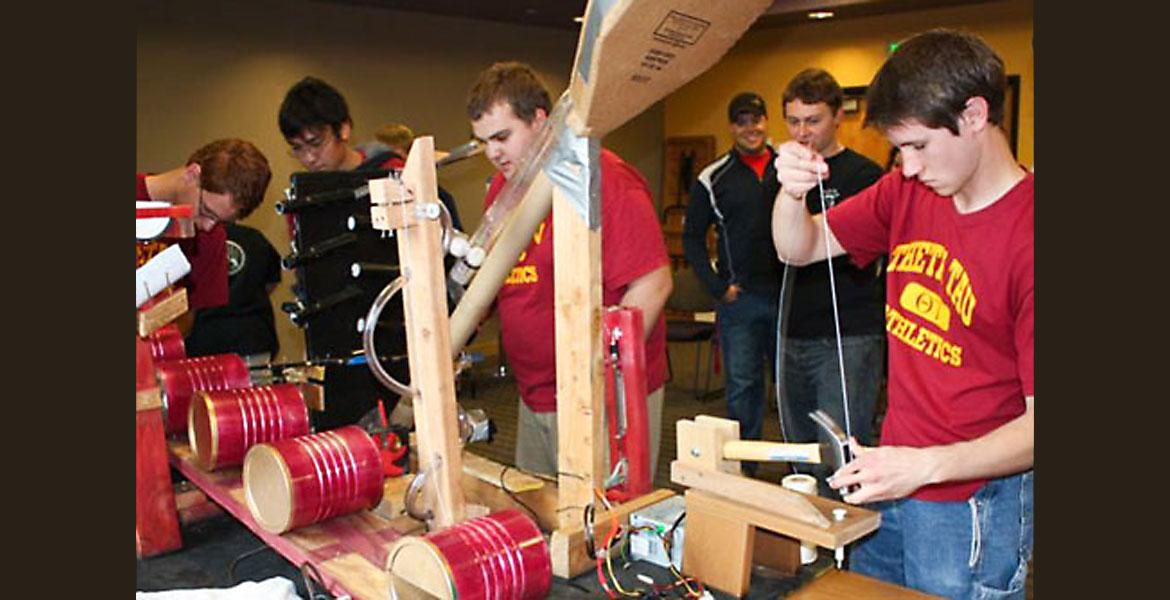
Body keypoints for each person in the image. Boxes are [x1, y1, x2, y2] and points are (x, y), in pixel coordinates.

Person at [771, 30, 1032, 598]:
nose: (907, 168)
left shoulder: (1031, 235)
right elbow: (799, 248)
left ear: (974, 115)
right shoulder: (908, 193)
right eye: (899, 150)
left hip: (971, 505)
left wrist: (926, 467)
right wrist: (790, 193)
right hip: (892, 476)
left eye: (917, 146)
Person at [466, 62, 673, 477]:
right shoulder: (502, 191)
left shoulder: (607, 181)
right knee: (540, 514)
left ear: (541, 121)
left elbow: (652, 285)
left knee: (603, 527)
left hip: (599, 396)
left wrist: (596, 379)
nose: (492, 153)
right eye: (483, 141)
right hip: (535, 394)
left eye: (502, 137)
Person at [774, 69, 886, 496]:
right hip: (792, 330)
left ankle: (847, 547)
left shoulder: (864, 176)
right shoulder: (783, 176)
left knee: (841, 453)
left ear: (839, 116)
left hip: (847, 335)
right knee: (797, 453)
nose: (802, 132)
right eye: (794, 121)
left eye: (813, 120)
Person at [681, 91, 783, 475]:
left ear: (766, 121)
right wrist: (717, 287)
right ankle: (746, 471)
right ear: (732, 127)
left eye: (756, 120)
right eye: (742, 121)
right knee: (744, 388)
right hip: (740, 301)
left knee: (790, 388)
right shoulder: (714, 177)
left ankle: (799, 470)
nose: (750, 128)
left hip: (788, 298)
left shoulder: (788, 166)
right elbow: (692, 237)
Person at [278, 76, 462, 229]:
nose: (309, 158)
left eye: (316, 143)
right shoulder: (303, 200)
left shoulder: (396, 173)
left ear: (343, 129)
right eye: (297, 148)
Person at [136, 139, 273, 330]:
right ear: (192, 174)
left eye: (221, 221)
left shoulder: (212, 238)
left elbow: (187, 320)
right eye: (205, 211)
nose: (208, 226)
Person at [184, 223, 282, 364]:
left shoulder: (193, 239)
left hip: (204, 338)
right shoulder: (254, 238)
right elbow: (272, 281)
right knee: (257, 386)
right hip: (251, 337)